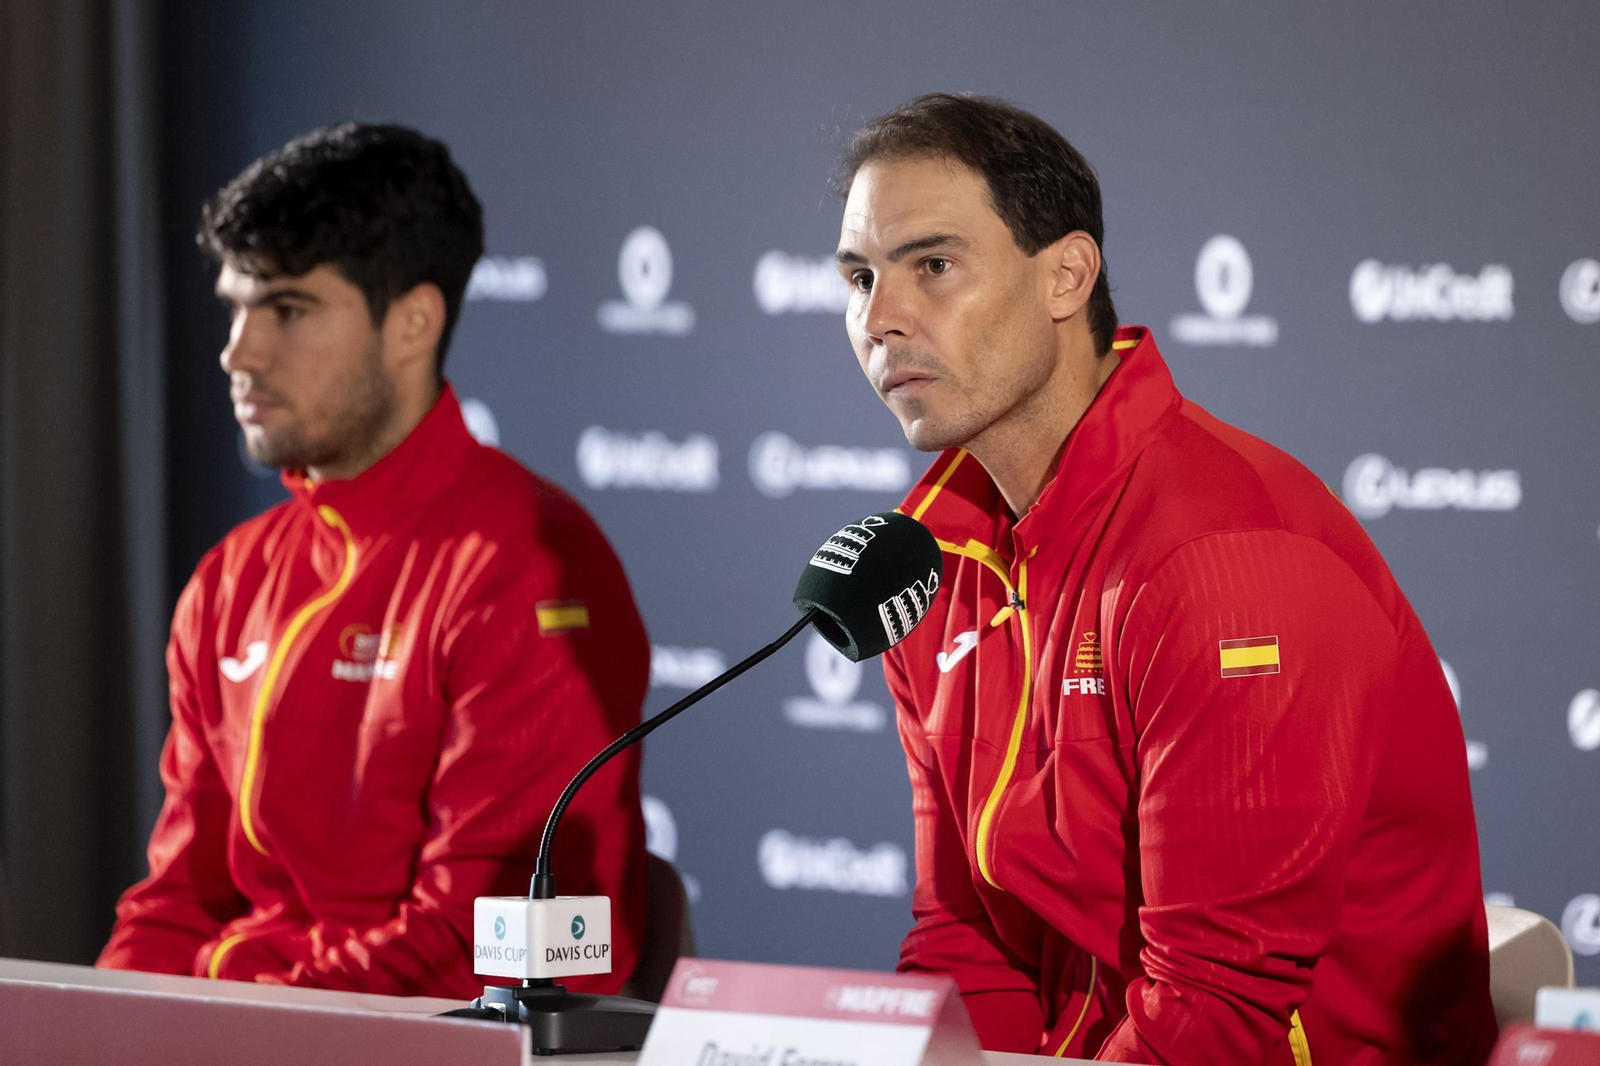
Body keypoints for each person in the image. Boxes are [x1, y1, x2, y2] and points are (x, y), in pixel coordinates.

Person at [834, 94, 1495, 1064]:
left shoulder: (1223, 557)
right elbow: (963, 936)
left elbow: (1219, 1009)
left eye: (931, 265)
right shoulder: (928, 558)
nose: (880, 319)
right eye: (859, 276)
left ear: (1066, 274)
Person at [97, 123, 648, 998]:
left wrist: (229, 1024)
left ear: (414, 322)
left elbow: (479, 938)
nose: (238, 353)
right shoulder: (230, 579)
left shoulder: (527, 565)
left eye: (287, 310)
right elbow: (174, 903)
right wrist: (105, 1028)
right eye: (235, 307)